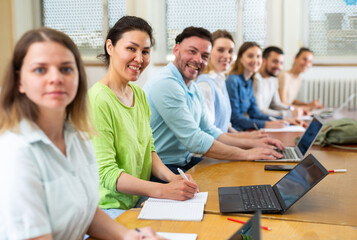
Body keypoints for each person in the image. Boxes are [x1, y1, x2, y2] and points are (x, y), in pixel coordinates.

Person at [0, 27, 164, 239]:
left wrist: (130, 236)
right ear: (20, 81)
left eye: (66, 69)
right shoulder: (16, 153)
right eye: (40, 70)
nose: (56, 78)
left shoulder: (78, 137)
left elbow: (87, 213)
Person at [89, 16, 198, 219]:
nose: (139, 59)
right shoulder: (98, 99)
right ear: (110, 47)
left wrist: (173, 179)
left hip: (135, 200)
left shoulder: (138, 94)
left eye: (145, 52)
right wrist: (163, 190)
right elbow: (106, 174)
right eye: (131, 49)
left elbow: (149, 149)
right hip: (107, 208)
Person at [144, 27, 284, 174]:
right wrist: (247, 153)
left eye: (205, 56)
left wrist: (253, 144)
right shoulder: (167, 83)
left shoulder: (193, 87)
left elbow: (210, 130)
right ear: (176, 49)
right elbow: (194, 139)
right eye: (192, 51)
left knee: (241, 172)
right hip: (161, 168)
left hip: (183, 161)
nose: (198, 60)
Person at [196, 29, 266, 138]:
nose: (226, 56)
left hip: (222, 144)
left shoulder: (221, 80)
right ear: (208, 52)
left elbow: (226, 126)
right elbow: (208, 134)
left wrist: (247, 136)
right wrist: (246, 141)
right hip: (211, 151)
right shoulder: (205, 85)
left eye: (230, 51)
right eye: (220, 50)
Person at [226, 42, 304, 131]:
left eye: (258, 56)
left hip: (243, 128)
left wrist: (283, 119)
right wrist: (267, 124)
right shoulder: (233, 81)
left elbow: (255, 113)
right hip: (235, 131)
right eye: (250, 56)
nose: (255, 60)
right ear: (240, 58)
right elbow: (235, 119)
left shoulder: (249, 81)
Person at [254, 46, 307, 118]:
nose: (278, 66)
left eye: (281, 63)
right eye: (275, 62)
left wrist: (293, 109)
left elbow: (276, 104)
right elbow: (260, 110)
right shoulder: (257, 79)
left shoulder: (273, 79)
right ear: (263, 61)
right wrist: (288, 114)